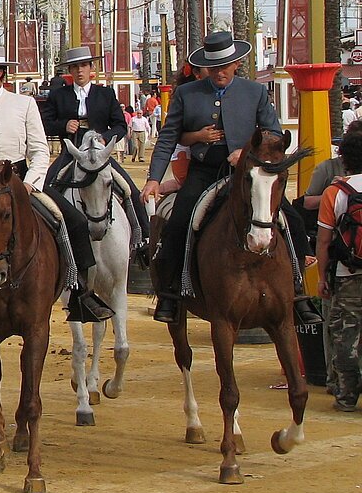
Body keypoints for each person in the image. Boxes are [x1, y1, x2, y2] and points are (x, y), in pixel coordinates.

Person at [0, 46, 115, 337]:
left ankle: (81, 293)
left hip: (20, 180)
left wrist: (32, 182)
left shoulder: (24, 104)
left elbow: (40, 149)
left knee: (75, 223)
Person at [143, 31, 320, 325]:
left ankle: (299, 293)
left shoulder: (255, 92)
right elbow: (168, 138)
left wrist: (247, 151)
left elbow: (273, 133)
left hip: (248, 173)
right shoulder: (187, 94)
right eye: (214, 67)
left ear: (236, 64)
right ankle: (171, 294)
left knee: (293, 221)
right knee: (179, 222)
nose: (219, 72)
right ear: (206, 68)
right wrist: (153, 178)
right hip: (203, 171)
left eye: (225, 66)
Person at [41, 46, 149, 239]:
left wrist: (104, 138)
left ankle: (143, 238)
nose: (79, 70)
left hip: (100, 154)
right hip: (71, 153)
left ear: (91, 68)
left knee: (129, 189)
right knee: (47, 187)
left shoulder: (105, 94)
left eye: (83, 65)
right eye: (75, 67)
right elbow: (45, 123)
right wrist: (63, 125)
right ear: (70, 71)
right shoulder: (59, 95)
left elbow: (120, 125)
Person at [315, 132, 362, 412]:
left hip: (348, 274)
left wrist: (322, 277)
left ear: (344, 158)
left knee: (345, 335)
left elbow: (323, 241)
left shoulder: (336, 193)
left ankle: (346, 397)